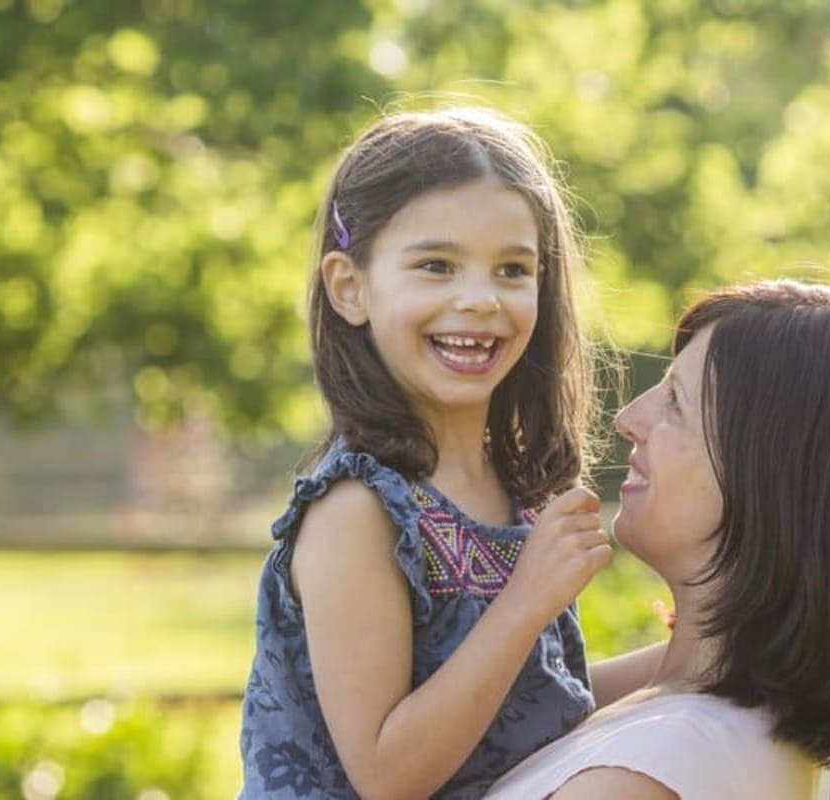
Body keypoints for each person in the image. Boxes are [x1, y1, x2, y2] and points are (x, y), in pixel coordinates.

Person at [486, 279, 830, 799]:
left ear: (774, 479)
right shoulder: (706, 703)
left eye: (676, 402)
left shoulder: (660, 767)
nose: (629, 419)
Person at [238, 107, 627, 800]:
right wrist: (526, 600)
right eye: (436, 266)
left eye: (512, 270)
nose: (479, 300)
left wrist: (698, 663)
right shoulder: (357, 510)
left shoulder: (516, 493)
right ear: (350, 288)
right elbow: (388, 773)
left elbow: (538, 705)